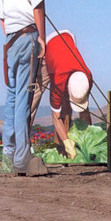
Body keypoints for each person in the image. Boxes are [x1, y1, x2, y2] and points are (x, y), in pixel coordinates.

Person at [0, 0, 49, 175]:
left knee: (11, 98)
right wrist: (41, 37)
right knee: (24, 98)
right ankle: (21, 159)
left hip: (10, 38)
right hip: (27, 35)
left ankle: (7, 159)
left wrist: (11, 37)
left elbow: (1, 16)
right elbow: (38, 3)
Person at [37, 30, 94, 159]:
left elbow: (84, 108)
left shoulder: (87, 77)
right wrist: (67, 143)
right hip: (47, 49)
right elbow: (55, 116)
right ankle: (62, 149)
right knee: (59, 109)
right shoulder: (58, 82)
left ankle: (84, 146)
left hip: (68, 37)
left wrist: (89, 142)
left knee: (80, 104)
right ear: (67, 87)